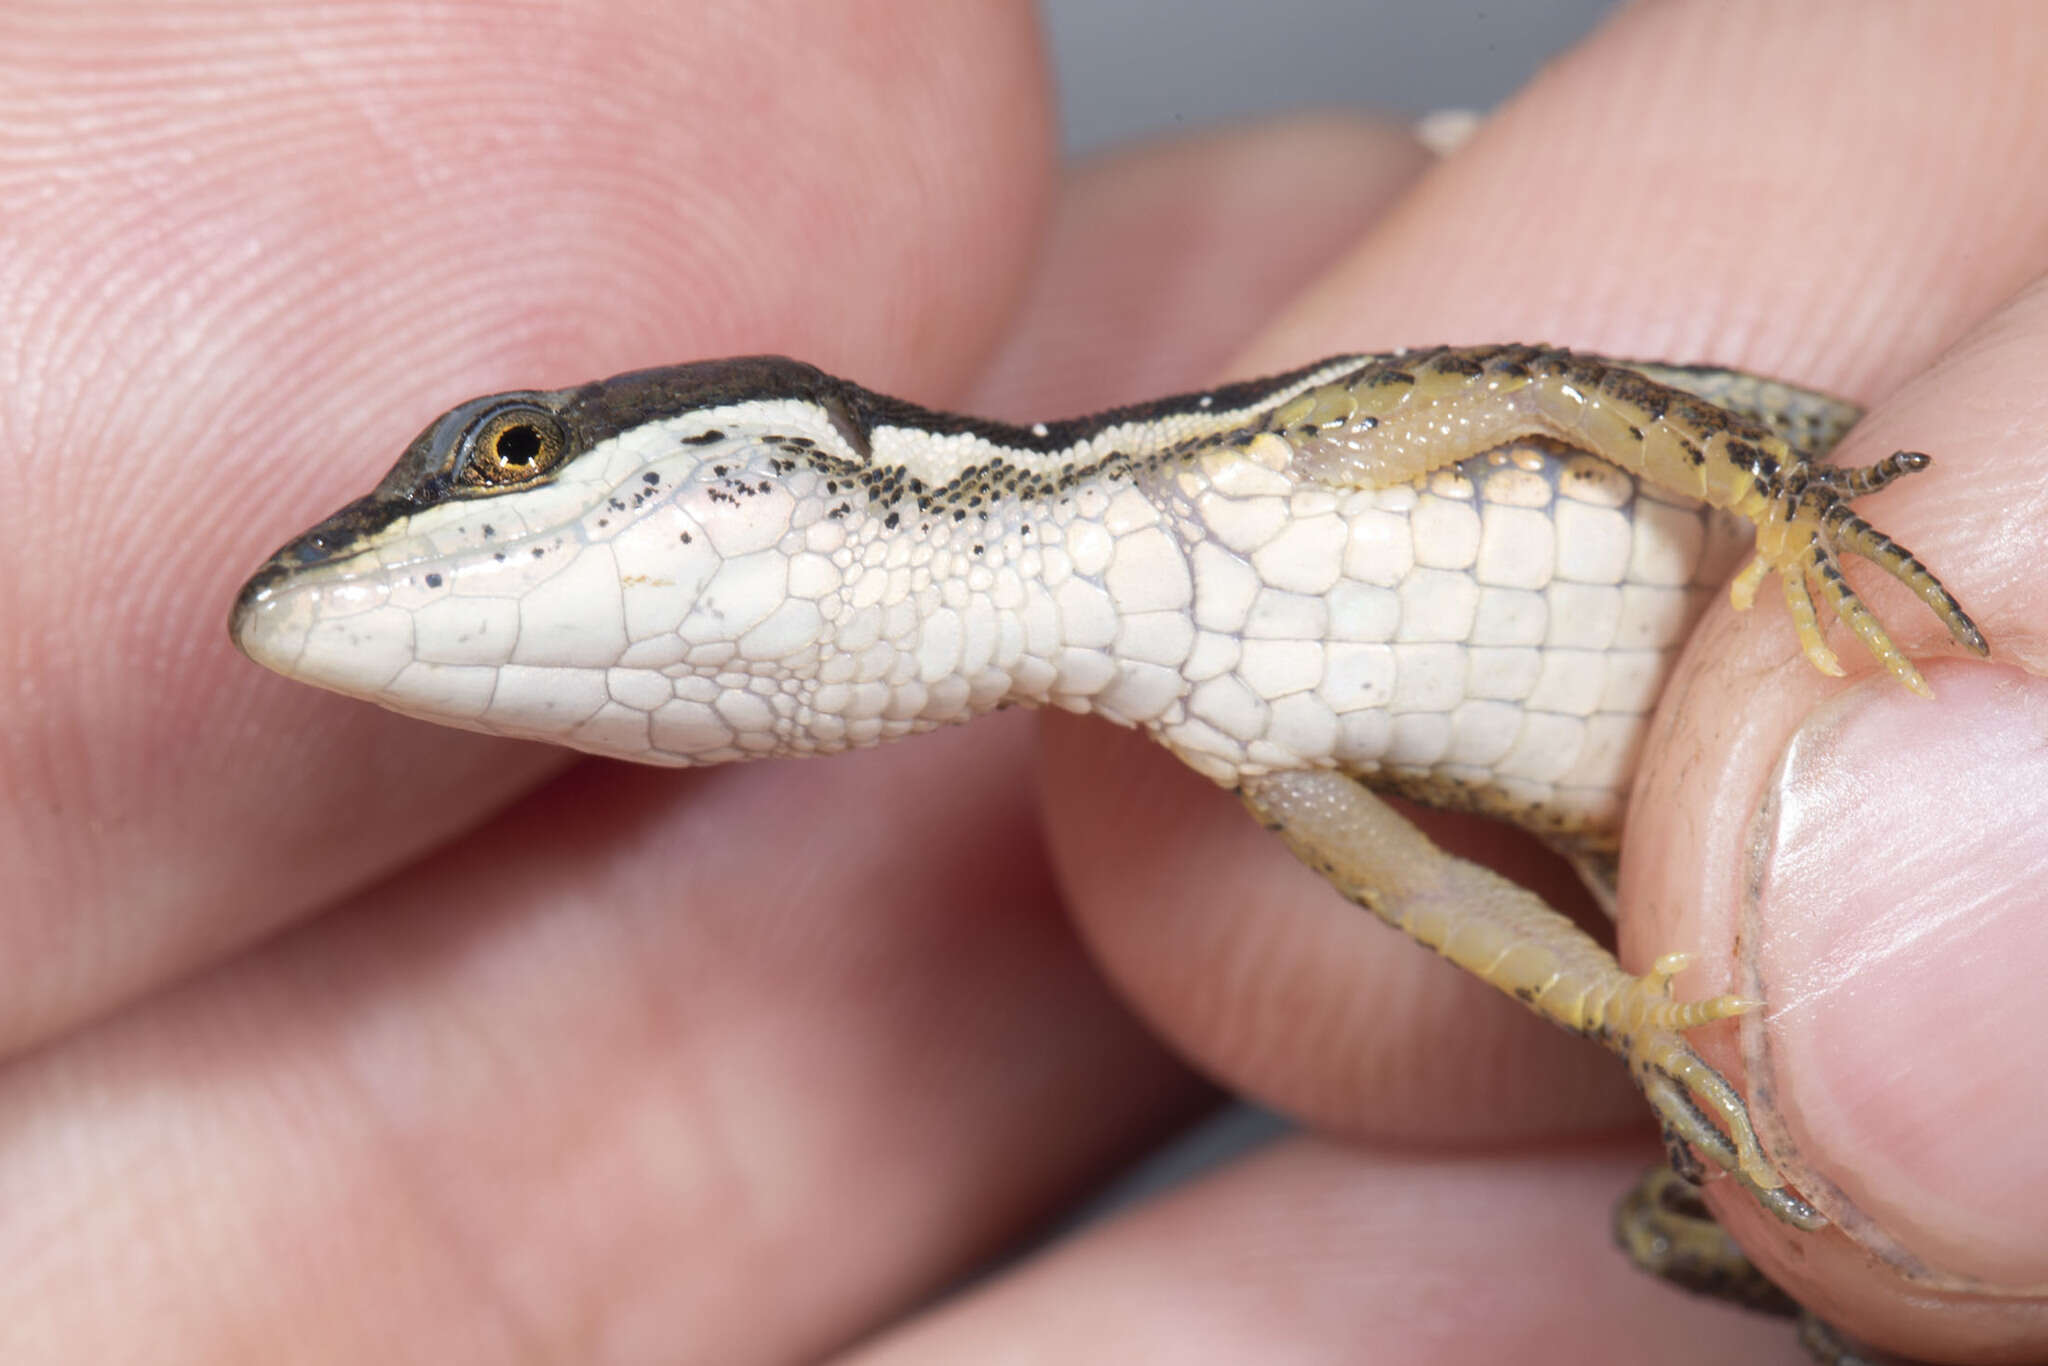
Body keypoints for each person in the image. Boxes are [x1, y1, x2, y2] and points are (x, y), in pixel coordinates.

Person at [2, 2, 2041, 1360]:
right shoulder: (1212, 722)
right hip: (1721, 783)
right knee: (1710, 1232)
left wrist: (1778, 499)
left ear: (796, 448)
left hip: (1824, 515)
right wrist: (1619, 1002)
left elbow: (1525, 389)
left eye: (516, 461)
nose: (484, 513)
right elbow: (1420, 888)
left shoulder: (1253, 456)